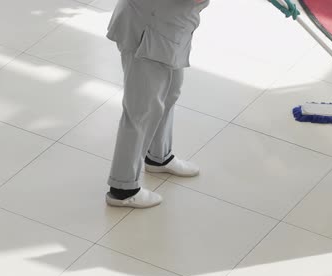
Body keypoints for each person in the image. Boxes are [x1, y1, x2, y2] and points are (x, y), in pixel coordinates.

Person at [105, 0, 300, 208]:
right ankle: (123, 189)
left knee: (170, 91)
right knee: (142, 108)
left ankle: (158, 157)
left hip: (169, 27)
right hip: (148, 27)